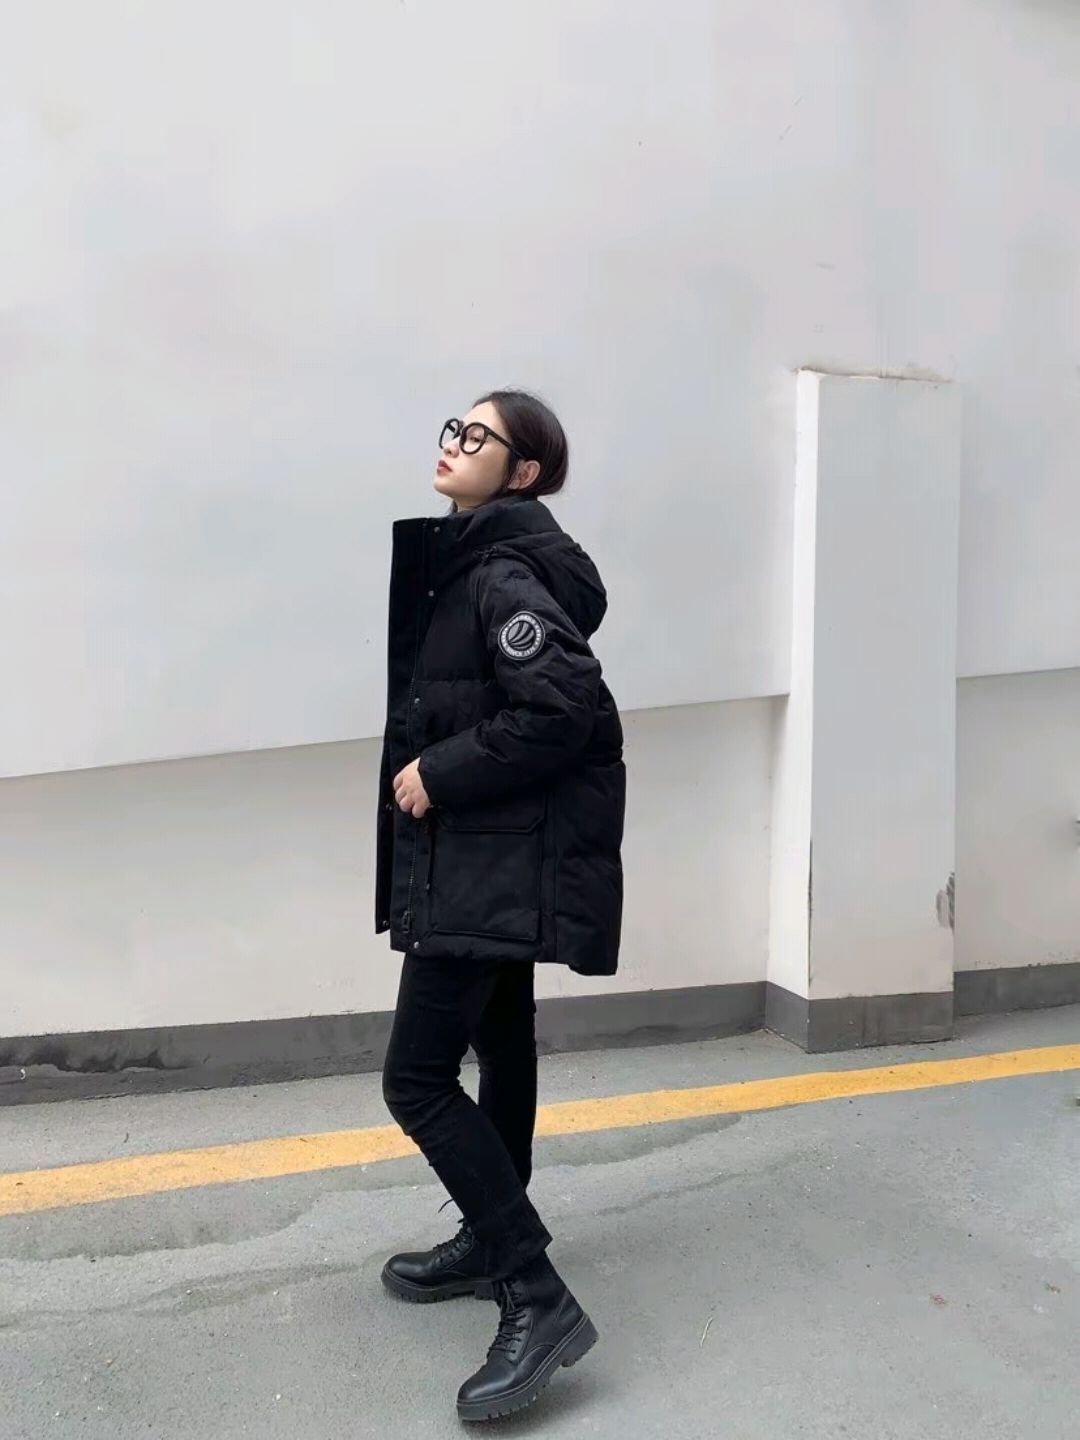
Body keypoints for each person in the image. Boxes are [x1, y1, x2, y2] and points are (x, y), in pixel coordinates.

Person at [376, 389, 626, 1422]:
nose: (454, 444)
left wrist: (441, 770)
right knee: (502, 1042)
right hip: (491, 856)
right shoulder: (479, 560)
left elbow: (561, 707)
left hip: (481, 864)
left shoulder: (502, 573)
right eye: (454, 427)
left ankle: (535, 1290)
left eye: (478, 437)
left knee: (416, 1080)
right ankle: (493, 1236)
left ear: (522, 472)